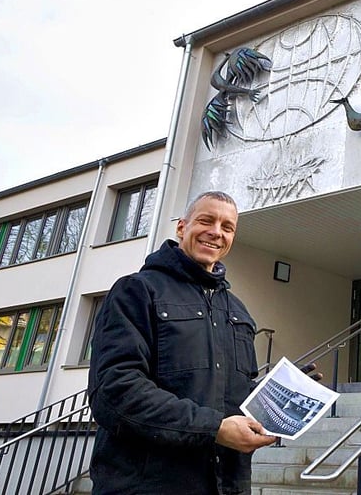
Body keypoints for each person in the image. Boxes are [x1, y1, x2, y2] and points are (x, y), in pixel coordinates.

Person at [88, 190, 276, 495]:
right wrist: (214, 429)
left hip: (227, 486)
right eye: (207, 221)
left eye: (227, 227)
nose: (216, 232)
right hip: (148, 486)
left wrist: (277, 396)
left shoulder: (238, 311)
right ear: (181, 227)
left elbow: (230, 398)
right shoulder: (136, 291)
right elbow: (115, 390)